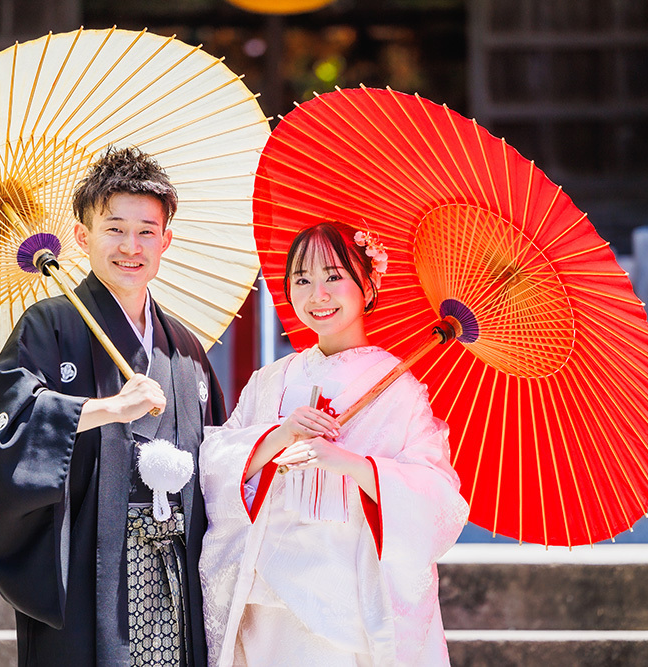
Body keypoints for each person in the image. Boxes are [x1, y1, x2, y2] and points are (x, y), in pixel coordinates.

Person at [0, 146, 225, 667]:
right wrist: (107, 408)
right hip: (95, 568)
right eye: (114, 229)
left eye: (146, 231)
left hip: (177, 573)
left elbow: (221, 461)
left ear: (167, 240)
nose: (130, 246)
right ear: (82, 235)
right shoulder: (47, 327)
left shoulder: (184, 347)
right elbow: (12, 432)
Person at [198, 221, 469, 666]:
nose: (316, 294)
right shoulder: (271, 380)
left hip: (352, 601)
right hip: (266, 598)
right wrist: (277, 436)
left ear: (368, 284)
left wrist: (351, 463)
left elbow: (436, 495)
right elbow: (215, 462)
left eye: (333, 277)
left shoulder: (400, 389)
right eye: (301, 280)